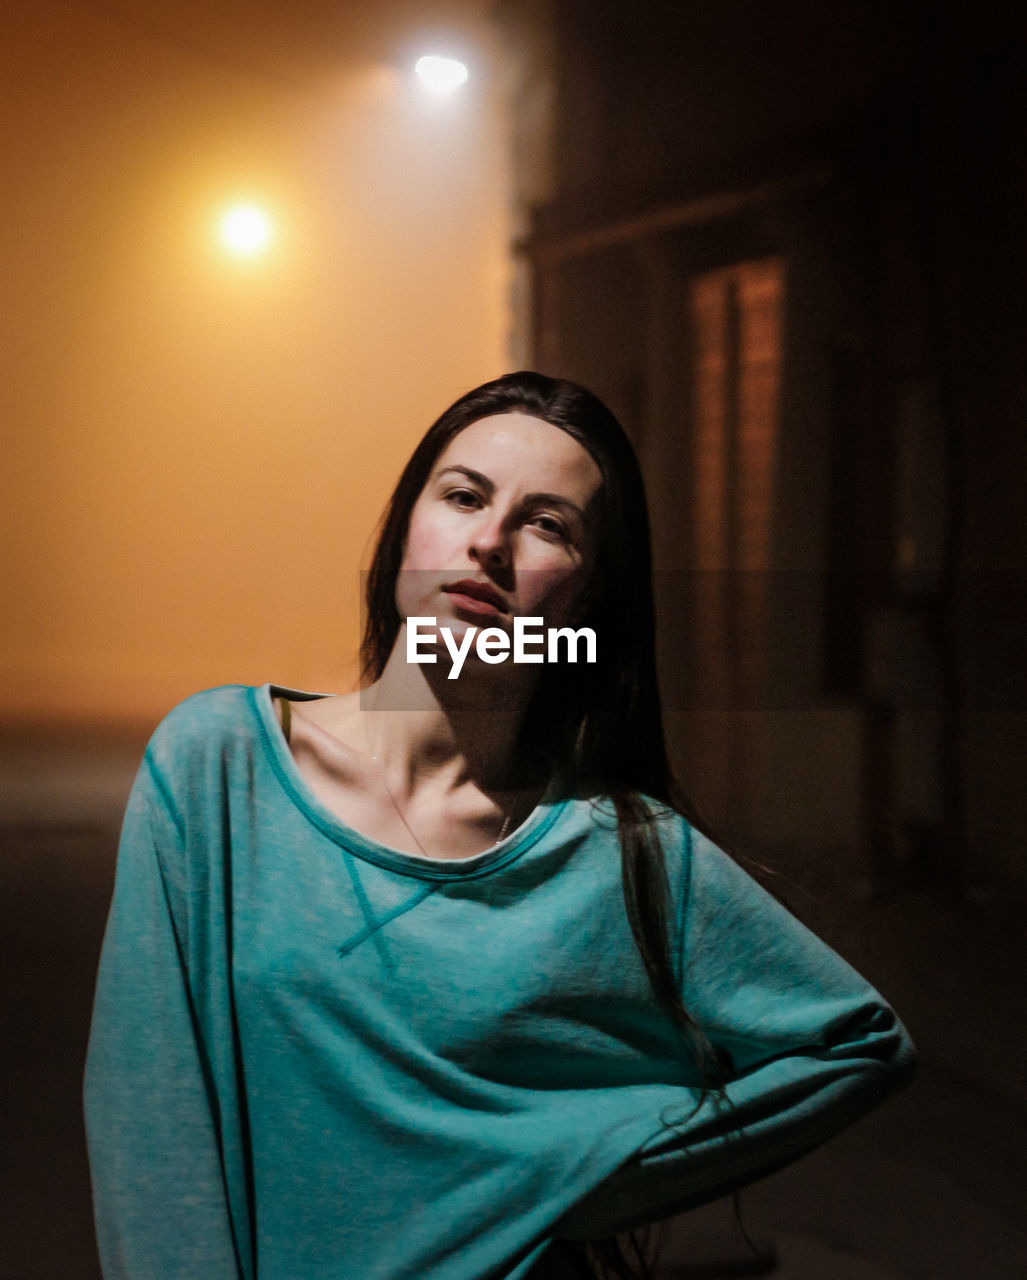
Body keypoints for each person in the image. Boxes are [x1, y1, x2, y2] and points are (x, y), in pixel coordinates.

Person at [83, 370, 917, 1280]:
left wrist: (558, 1180)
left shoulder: (616, 850)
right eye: (463, 496)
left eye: (547, 524)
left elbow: (858, 1043)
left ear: (588, 596)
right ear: (407, 525)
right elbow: (150, 1129)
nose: (486, 542)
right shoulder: (216, 765)